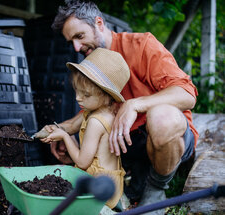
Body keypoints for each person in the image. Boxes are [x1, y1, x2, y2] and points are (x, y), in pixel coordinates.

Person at [41, 0, 199, 214]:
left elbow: (187, 94)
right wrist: (61, 130)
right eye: (71, 42)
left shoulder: (142, 45)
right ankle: (123, 188)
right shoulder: (93, 61)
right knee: (96, 127)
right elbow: (90, 109)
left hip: (169, 137)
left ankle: (156, 189)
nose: (77, 48)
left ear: (99, 23)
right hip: (129, 143)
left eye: (80, 36)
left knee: (161, 117)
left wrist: (135, 105)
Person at [42, 48, 129, 209]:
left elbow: (82, 162)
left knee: (52, 186)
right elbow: (95, 156)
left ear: (106, 95)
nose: (77, 98)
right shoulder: (107, 112)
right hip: (111, 184)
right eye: (76, 90)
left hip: (97, 189)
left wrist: (65, 136)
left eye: (86, 95)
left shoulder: (96, 121)